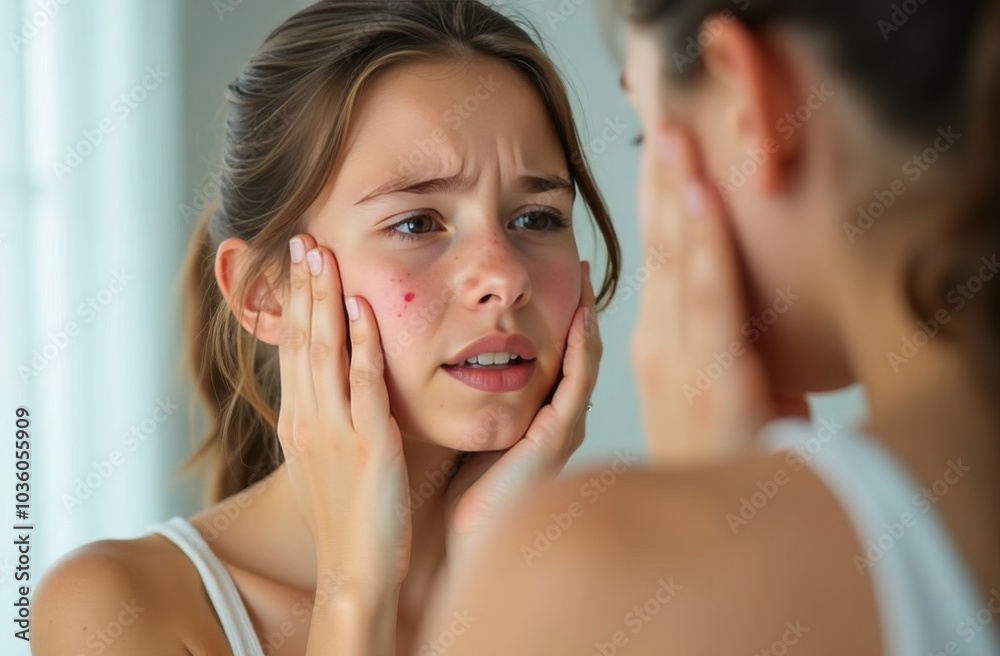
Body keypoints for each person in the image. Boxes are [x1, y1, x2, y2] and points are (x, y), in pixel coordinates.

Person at [29, 2, 621, 654]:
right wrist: (357, 589)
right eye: (417, 223)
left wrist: (492, 580)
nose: (504, 278)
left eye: (536, 218)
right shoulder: (115, 609)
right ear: (266, 295)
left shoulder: (631, 590)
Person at [415, 0, 1000, 654]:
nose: (499, 277)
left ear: (746, 98)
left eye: (646, 132)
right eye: (416, 223)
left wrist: (698, 530)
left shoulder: (577, 580)